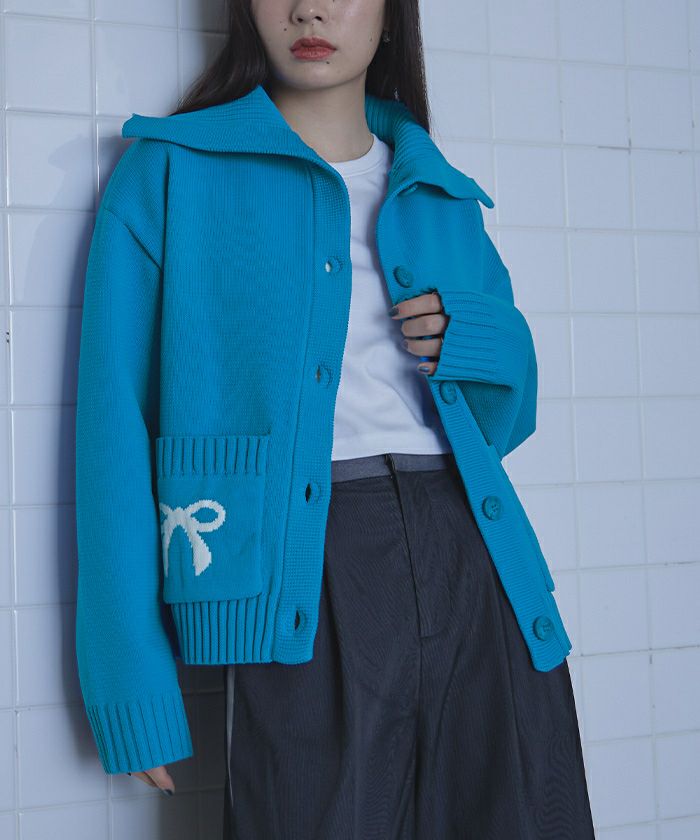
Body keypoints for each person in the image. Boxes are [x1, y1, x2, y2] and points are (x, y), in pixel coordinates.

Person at [75, 0, 595, 837]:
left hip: (475, 563)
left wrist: (487, 341)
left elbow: (504, 423)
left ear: (391, 17)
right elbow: (111, 431)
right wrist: (128, 677)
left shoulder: (439, 192)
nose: (310, 7)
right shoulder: (170, 172)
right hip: (301, 574)